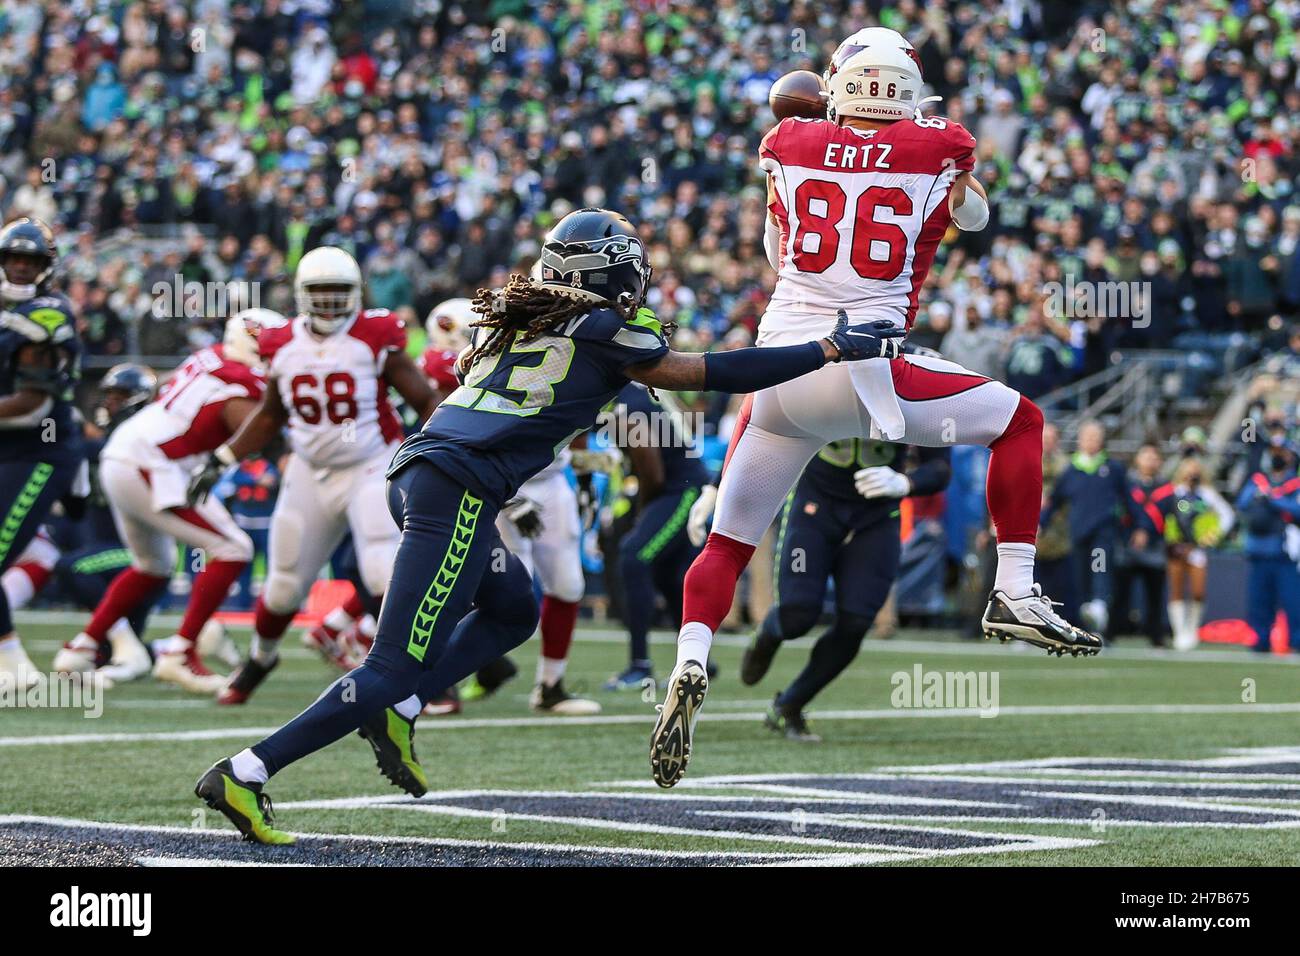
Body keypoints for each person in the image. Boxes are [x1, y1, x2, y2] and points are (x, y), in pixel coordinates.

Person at [192, 207, 905, 843]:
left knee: (515, 608)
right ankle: (249, 770)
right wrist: (830, 346)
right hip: (457, 492)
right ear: (613, 276)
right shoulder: (605, 330)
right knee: (386, 665)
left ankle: (402, 705)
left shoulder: (524, 314)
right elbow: (711, 372)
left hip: (415, 477)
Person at [651, 28, 1101, 790]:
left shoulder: (786, 138)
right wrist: (927, 149)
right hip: (864, 370)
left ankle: (691, 658)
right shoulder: (943, 143)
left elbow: (776, 252)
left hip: (781, 377)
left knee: (728, 543)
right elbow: (977, 218)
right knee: (1020, 421)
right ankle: (1015, 589)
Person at [187, 248, 438, 705]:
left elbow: (424, 398)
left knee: (385, 571)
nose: (328, 301)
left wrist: (434, 447)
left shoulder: (374, 335)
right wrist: (221, 459)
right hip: (307, 470)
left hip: (371, 465)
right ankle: (261, 658)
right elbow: (268, 416)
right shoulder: (281, 342)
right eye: (319, 292)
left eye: (338, 291)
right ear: (302, 295)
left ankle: (408, 674)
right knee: (283, 587)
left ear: (355, 293)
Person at [55, 312, 272, 691]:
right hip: (153, 462)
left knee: (153, 564)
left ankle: (82, 647)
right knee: (234, 548)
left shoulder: (209, 357)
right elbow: (251, 424)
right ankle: (180, 653)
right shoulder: (243, 378)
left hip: (125, 452)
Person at [739, 425, 951, 741]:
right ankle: (770, 632)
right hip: (815, 509)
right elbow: (764, 430)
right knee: (798, 613)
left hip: (877, 517)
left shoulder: (912, 383)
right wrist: (718, 486)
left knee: (856, 621)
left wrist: (906, 481)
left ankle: (790, 704)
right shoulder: (814, 378)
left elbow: (941, 466)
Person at [0, 218, 84, 689]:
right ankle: (12, 666)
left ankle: (13, 666)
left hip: (39, 451)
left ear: (45, 268)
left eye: (29, 261)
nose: (18, 267)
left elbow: (33, 405)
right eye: (12, 258)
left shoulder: (48, 313)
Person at [603, 383, 708, 691]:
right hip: (682, 483)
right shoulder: (638, 392)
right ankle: (698, 661)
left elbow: (652, 470)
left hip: (681, 488)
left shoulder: (623, 404)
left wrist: (642, 512)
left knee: (633, 556)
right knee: (670, 576)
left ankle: (640, 666)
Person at [1040, 421, 1131, 635]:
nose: (1091, 441)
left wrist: (1139, 526)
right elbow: (1056, 501)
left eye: (1095, 437)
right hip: (1078, 533)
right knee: (1080, 580)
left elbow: (1128, 499)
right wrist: (1041, 523)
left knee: (1099, 570)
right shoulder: (1072, 469)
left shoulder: (1112, 468)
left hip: (1102, 533)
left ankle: (1100, 609)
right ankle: (1085, 629)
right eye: (1087, 437)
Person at [1160, 457, 1233, 651]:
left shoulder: (1206, 494)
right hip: (1176, 547)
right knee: (1176, 589)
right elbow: (1160, 515)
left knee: (1198, 591)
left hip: (1196, 548)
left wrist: (1213, 536)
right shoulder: (1173, 493)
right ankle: (1179, 631)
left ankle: (1192, 628)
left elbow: (1227, 515)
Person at [1233, 447, 1299, 653]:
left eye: (1283, 453)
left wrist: (1272, 498)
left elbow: (1296, 509)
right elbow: (1242, 504)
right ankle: (1260, 640)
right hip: (1258, 550)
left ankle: (1297, 640)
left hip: (1284, 552)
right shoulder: (1258, 480)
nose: (1278, 457)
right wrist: (1258, 495)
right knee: (1259, 601)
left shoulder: (1294, 484)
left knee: (1293, 600)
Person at [1113, 443, 1169, 646]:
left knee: (1154, 595)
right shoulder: (1127, 483)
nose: (1150, 461)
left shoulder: (1165, 487)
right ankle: (1112, 632)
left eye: (1154, 457)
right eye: (1146, 456)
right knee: (1120, 593)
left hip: (1154, 547)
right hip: (1127, 545)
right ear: (1137, 459)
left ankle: (1156, 635)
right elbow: (1120, 510)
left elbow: (1169, 515)